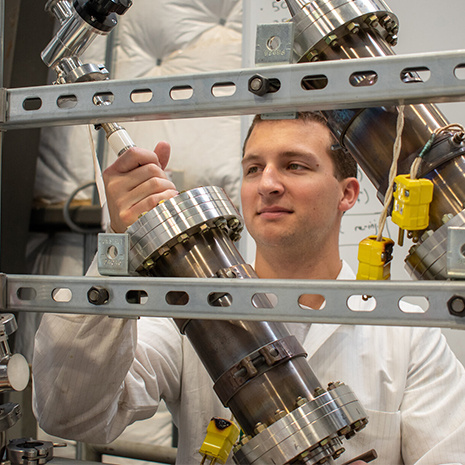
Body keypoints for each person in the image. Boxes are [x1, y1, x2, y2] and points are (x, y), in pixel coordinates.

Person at [32, 112, 465, 465]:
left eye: (295, 165)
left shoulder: (408, 331)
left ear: (347, 193)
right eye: (253, 168)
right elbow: (70, 414)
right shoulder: (189, 308)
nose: (268, 184)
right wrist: (117, 251)